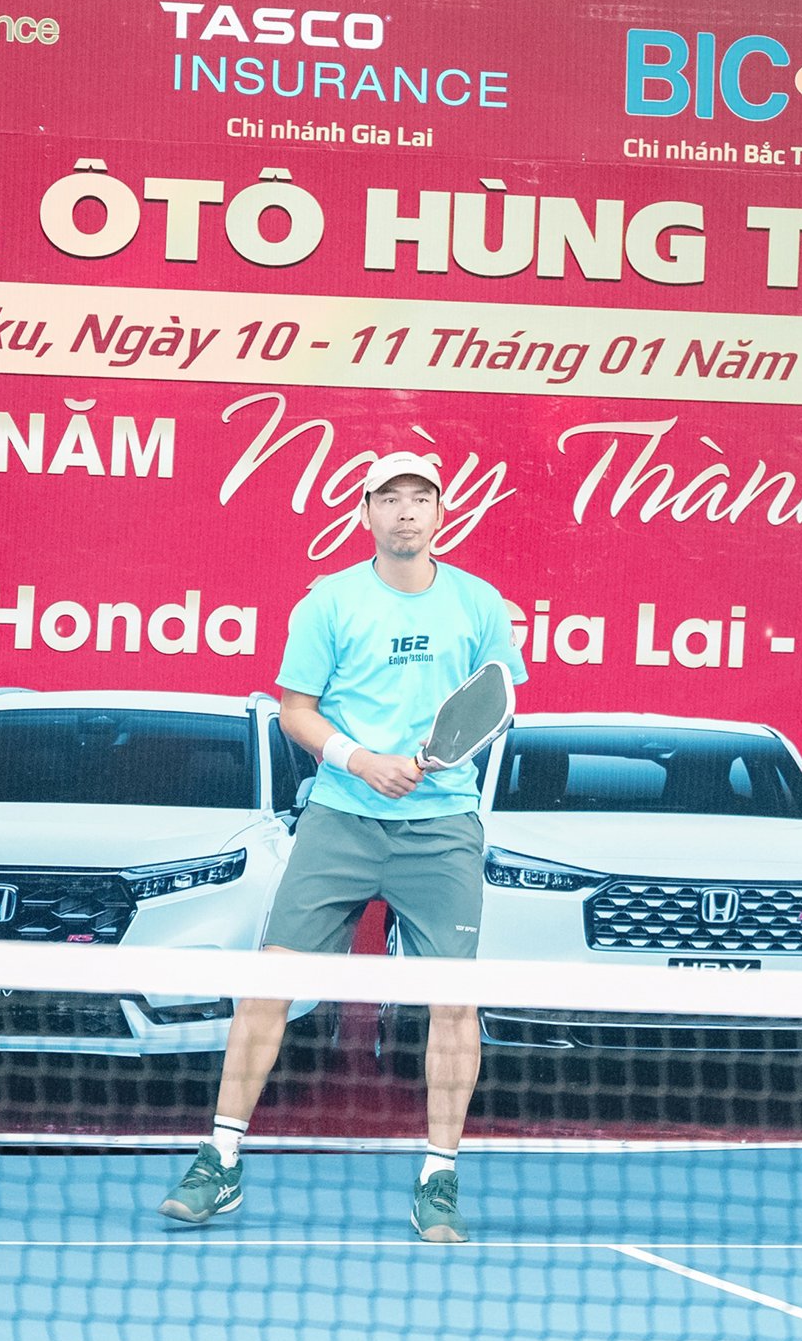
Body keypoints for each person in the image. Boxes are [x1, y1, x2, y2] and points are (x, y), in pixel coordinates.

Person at [159, 451, 527, 1243]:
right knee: (270, 983)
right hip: (340, 818)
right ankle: (220, 1159)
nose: (405, 510)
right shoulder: (329, 601)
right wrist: (361, 761)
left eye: (420, 498)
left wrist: (432, 764)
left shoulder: (480, 604)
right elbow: (295, 710)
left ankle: (439, 1176)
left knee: (454, 1002)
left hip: (443, 828)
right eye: (389, 498)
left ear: (441, 513)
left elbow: (494, 705)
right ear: (365, 514)